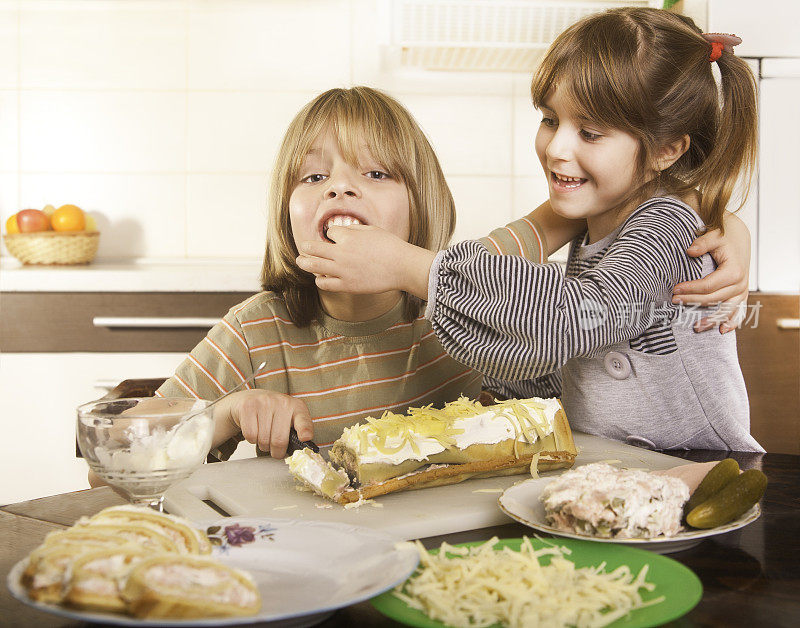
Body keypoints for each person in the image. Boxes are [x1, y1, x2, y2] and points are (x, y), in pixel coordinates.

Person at [295, 10, 764, 452]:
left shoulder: (665, 225)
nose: (557, 147)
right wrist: (507, 389)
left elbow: (572, 318)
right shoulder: (599, 229)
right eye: (550, 119)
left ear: (666, 151)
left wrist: (409, 266)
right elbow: (576, 354)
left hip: (701, 470)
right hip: (633, 473)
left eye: (591, 132)